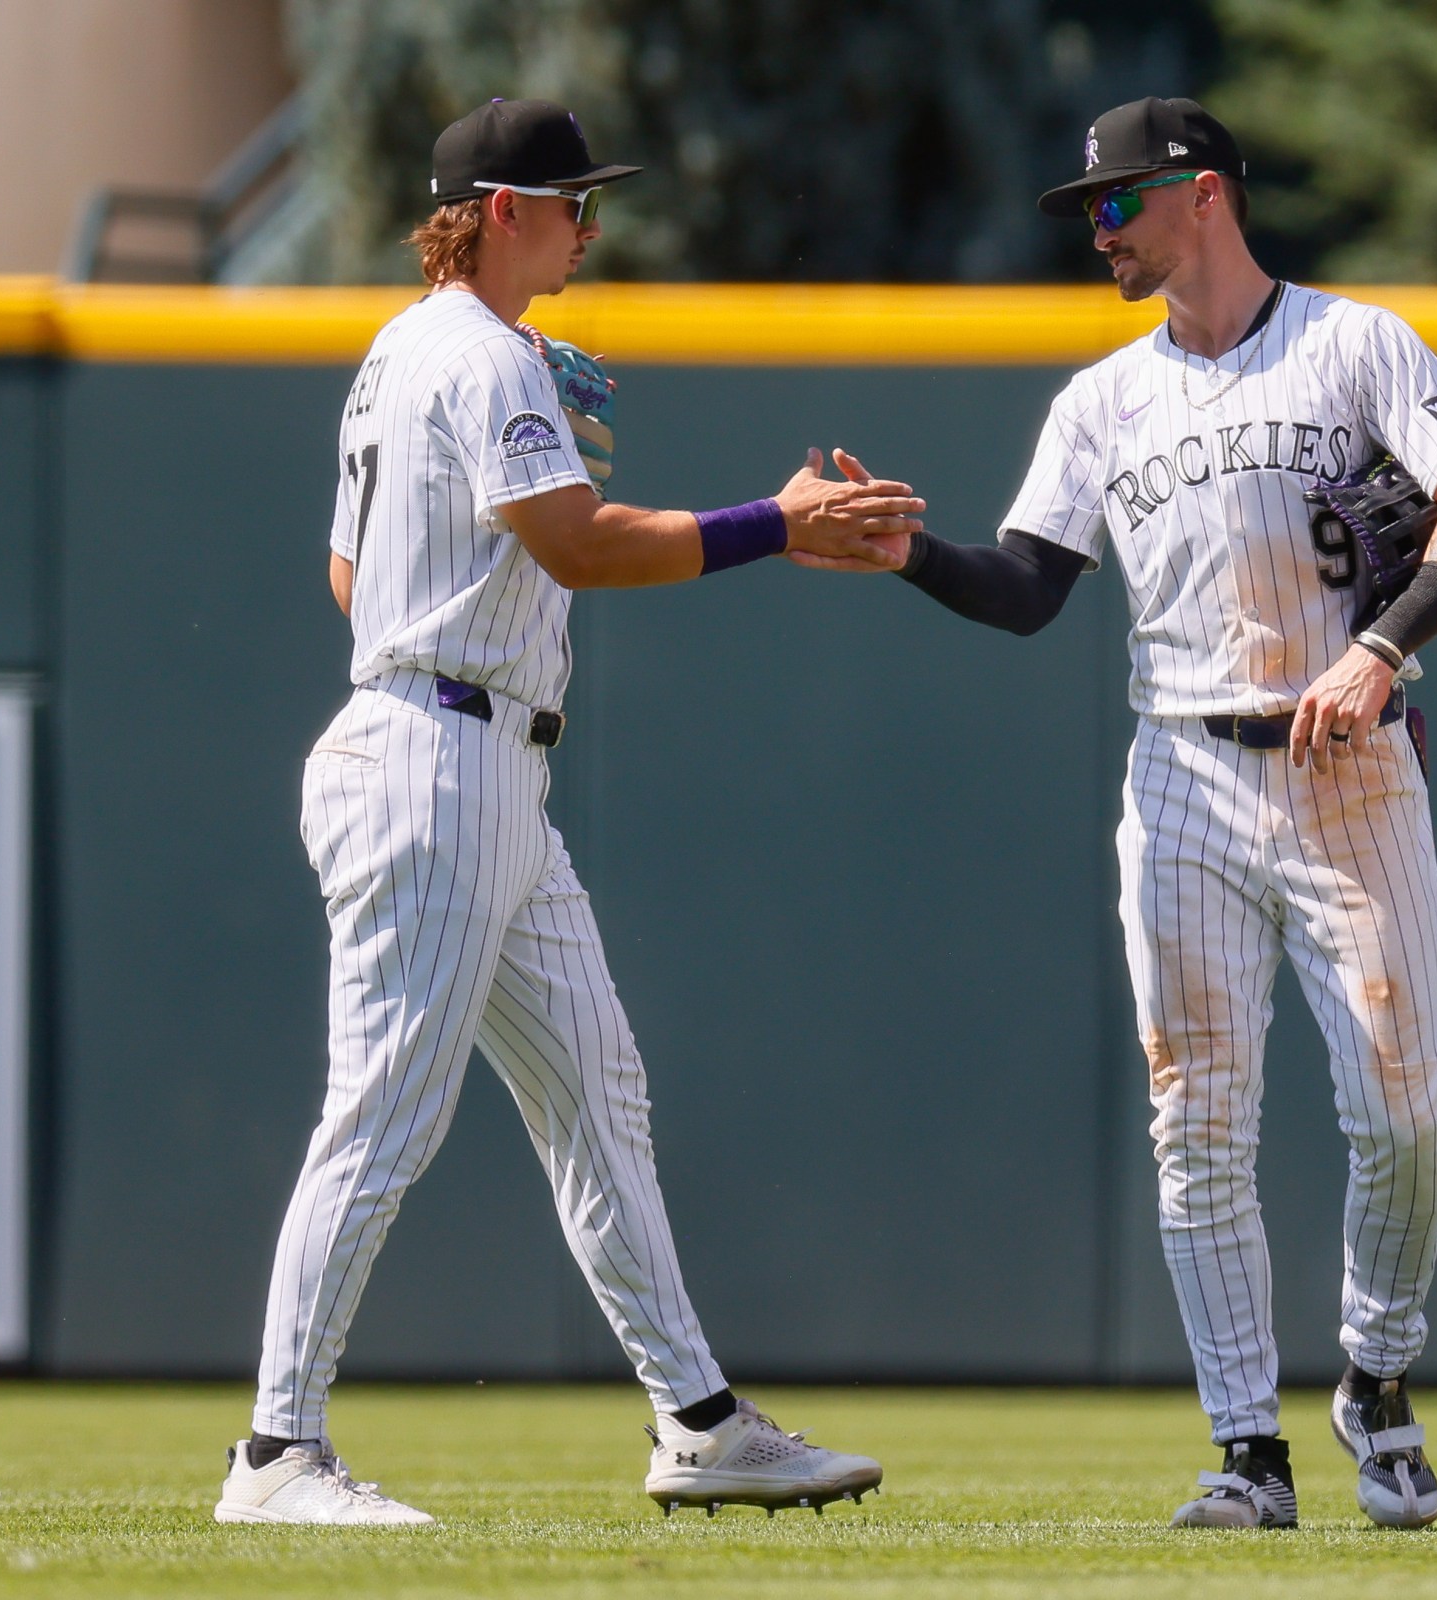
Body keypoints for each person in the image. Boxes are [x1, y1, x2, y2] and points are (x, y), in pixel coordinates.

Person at [215, 99, 918, 1525]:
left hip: (471, 758)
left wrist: (518, 526)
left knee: (600, 1095)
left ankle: (699, 1422)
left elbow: (356, 580)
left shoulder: (409, 351)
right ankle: (277, 1454)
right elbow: (583, 548)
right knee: (385, 1112)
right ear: (498, 207)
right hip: (438, 758)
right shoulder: (482, 358)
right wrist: (776, 524)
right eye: (570, 201)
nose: (591, 225)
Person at [848, 97, 1437, 1529]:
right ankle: (1246, 1450)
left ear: (1202, 194)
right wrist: (909, 553)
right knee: (1196, 1121)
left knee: (1408, 1117)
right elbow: (1032, 588)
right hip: (1183, 772)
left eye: (1115, 205)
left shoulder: (1355, 346)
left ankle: (1377, 1377)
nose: (1096, 230)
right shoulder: (1103, 397)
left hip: (1351, 761)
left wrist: (1383, 646)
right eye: (1090, 213)